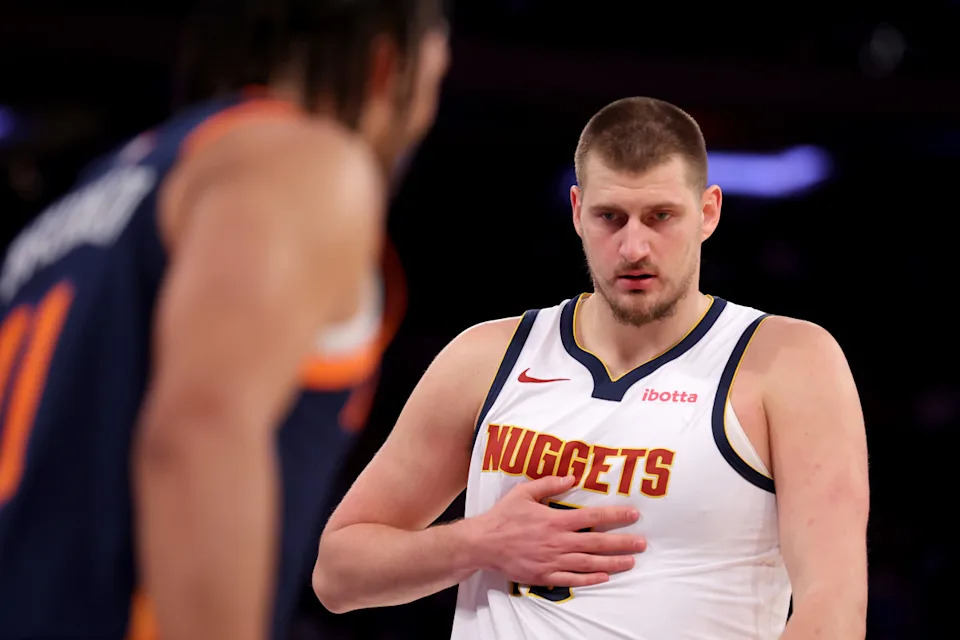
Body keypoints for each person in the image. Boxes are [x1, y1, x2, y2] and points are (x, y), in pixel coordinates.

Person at [313, 96, 870, 639]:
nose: (633, 247)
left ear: (708, 212)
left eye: (660, 217)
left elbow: (834, 611)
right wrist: (477, 542)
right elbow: (337, 574)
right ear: (577, 211)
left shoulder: (789, 363)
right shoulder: (486, 357)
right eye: (611, 217)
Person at [0, 2, 449, 639]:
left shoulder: (96, 197)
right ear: (386, 65)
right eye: (431, 86)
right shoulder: (302, 163)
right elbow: (198, 432)